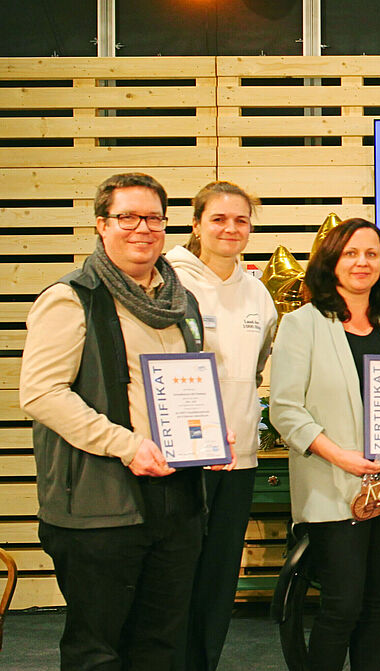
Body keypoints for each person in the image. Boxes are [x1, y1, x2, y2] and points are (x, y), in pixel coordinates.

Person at [20, 173, 207, 669]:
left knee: (160, 646)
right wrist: (126, 445)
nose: (142, 228)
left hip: (176, 500)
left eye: (153, 218)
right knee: (96, 651)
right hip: (100, 504)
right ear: (102, 225)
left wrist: (210, 431)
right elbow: (41, 393)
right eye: (127, 217)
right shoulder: (72, 297)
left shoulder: (181, 302)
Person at [268, 218, 380, 671]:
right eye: (351, 253)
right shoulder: (301, 324)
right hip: (333, 485)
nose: (362, 262)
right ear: (331, 261)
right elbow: (285, 409)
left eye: (372, 254)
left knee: (378, 607)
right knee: (341, 606)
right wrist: (340, 456)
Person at [166, 181, 278, 671]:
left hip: (239, 458)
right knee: (175, 578)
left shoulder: (258, 293)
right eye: (218, 219)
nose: (230, 228)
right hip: (182, 460)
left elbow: (256, 370)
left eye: (241, 220)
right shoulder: (169, 281)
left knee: (217, 581)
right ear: (196, 225)